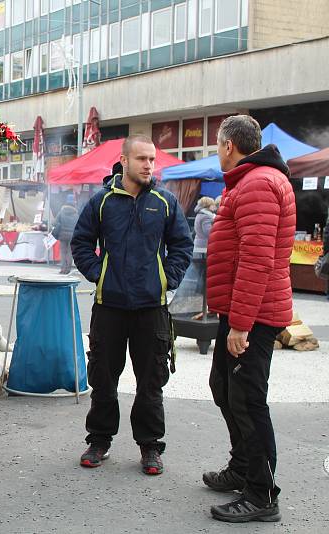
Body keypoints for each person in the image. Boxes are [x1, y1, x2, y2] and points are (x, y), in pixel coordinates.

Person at [72, 135, 193, 475]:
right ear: (124, 161)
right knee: (103, 378)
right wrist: (100, 275)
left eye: (152, 160)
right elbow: (81, 242)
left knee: (151, 381)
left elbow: (182, 246)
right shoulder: (102, 202)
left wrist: (166, 280)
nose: (149, 165)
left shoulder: (165, 202)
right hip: (109, 305)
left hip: (151, 308)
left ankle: (150, 447)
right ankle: (99, 441)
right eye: (141, 159)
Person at [203, 115, 296, 523]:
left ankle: (261, 494)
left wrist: (240, 323)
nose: (217, 153)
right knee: (223, 387)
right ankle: (243, 468)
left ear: (228, 146)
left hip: (253, 315)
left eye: (217, 146)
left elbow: (257, 261)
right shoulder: (250, 181)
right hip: (241, 310)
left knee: (246, 399)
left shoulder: (258, 184)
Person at [52, 194, 78, 274]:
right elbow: (78, 225)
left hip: (62, 235)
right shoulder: (76, 214)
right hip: (72, 236)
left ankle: (63, 269)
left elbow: (54, 223)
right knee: (70, 252)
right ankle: (68, 269)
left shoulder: (61, 212)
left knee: (63, 252)